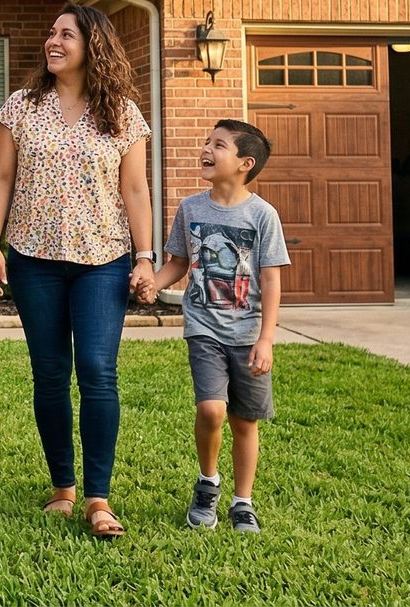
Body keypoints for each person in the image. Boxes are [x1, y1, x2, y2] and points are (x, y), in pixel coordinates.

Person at [0, 4, 153, 540]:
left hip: (103, 260)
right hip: (34, 259)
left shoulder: (122, 113)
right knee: (51, 374)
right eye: (51, 32)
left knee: (98, 372)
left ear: (92, 45)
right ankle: (63, 487)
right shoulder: (22, 106)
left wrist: (144, 257)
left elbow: (135, 190)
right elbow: (1, 177)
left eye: (65, 34)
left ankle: (98, 499)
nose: (52, 41)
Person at [138, 119, 289, 534]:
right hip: (203, 327)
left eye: (218, 145)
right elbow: (178, 264)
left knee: (244, 421)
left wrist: (267, 339)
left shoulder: (263, 215)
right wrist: (154, 282)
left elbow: (272, 279)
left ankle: (243, 502)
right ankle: (208, 482)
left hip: (247, 334)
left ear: (245, 163)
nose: (206, 149)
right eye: (207, 142)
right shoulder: (191, 208)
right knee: (211, 409)